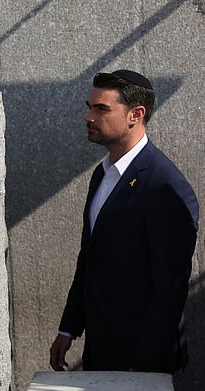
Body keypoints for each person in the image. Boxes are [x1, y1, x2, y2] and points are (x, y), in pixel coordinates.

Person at [49, 70, 199, 373]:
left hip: (141, 362)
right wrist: (68, 329)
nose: (88, 117)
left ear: (136, 114)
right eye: (89, 106)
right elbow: (89, 259)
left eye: (101, 108)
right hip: (100, 350)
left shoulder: (164, 186)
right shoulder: (102, 174)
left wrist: (141, 368)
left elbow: (169, 289)